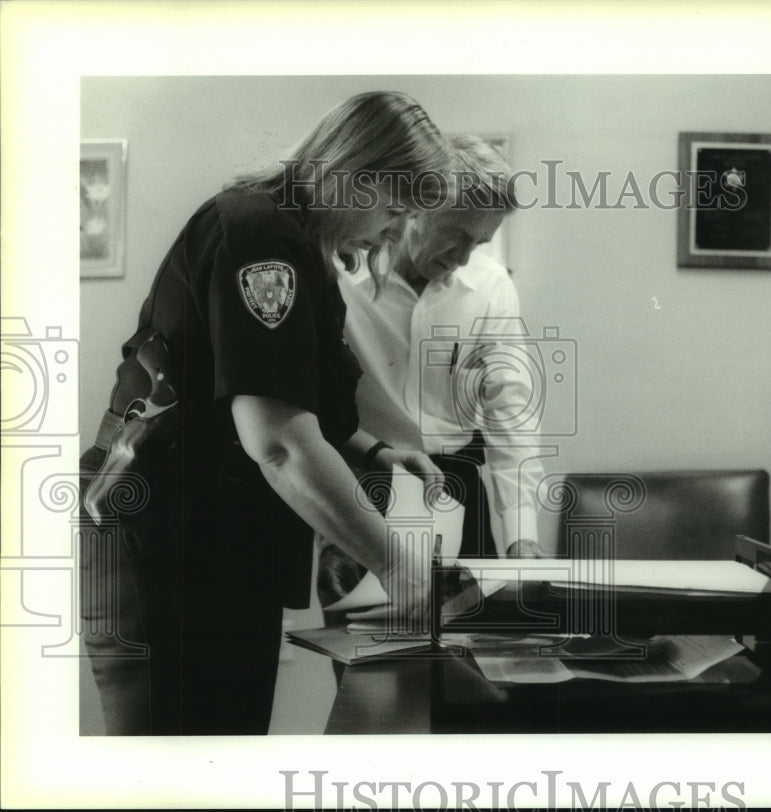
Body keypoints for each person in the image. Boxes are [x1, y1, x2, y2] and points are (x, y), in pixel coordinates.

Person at [78, 91, 451, 735]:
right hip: (168, 557)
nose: (393, 233)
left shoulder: (299, 249)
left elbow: (291, 400)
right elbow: (277, 442)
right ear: (352, 175)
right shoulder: (260, 237)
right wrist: (398, 566)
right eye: (394, 210)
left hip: (219, 555)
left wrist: (373, 451)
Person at [317, 135, 547, 609]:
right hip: (360, 491)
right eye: (458, 235)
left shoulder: (490, 286)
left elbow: (511, 408)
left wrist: (522, 534)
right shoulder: (339, 275)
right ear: (417, 208)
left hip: (459, 494)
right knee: (368, 669)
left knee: (471, 669)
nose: (465, 257)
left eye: (480, 242)